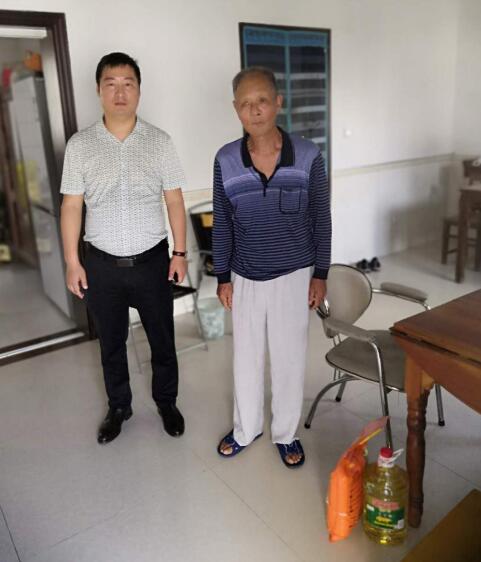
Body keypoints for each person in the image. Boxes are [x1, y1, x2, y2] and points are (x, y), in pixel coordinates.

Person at [60, 52, 187, 444]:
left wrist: (180, 253)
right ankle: (119, 406)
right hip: (101, 266)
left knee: (162, 340)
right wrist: (72, 262)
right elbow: (71, 206)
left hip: (152, 262)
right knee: (111, 343)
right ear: (99, 91)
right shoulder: (80, 145)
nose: (120, 92)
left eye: (127, 84)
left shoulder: (160, 142)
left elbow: (174, 200)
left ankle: (166, 402)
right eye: (111, 84)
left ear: (138, 91)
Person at [213, 67, 331, 468]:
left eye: (262, 100)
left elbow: (321, 218)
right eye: (245, 104)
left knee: (289, 359)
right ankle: (245, 429)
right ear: (236, 109)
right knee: (245, 359)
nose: (255, 110)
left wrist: (321, 274)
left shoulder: (309, 155)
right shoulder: (226, 159)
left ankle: (286, 433)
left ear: (278, 102)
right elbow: (223, 222)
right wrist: (223, 277)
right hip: (245, 275)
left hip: (295, 274)